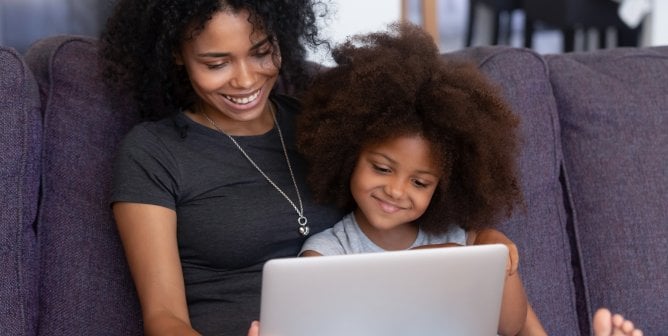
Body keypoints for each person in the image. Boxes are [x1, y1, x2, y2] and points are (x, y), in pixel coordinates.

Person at [99, 1, 344, 335]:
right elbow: (164, 318)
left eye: (261, 53)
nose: (245, 80)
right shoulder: (153, 152)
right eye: (217, 63)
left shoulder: (319, 126)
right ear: (176, 53)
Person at [294, 22, 544, 336]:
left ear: (443, 186)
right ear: (348, 156)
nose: (396, 191)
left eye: (420, 183)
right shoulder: (327, 254)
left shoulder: (464, 239)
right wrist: (424, 263)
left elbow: (510, 327)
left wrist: (497, 258)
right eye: (382, 168)